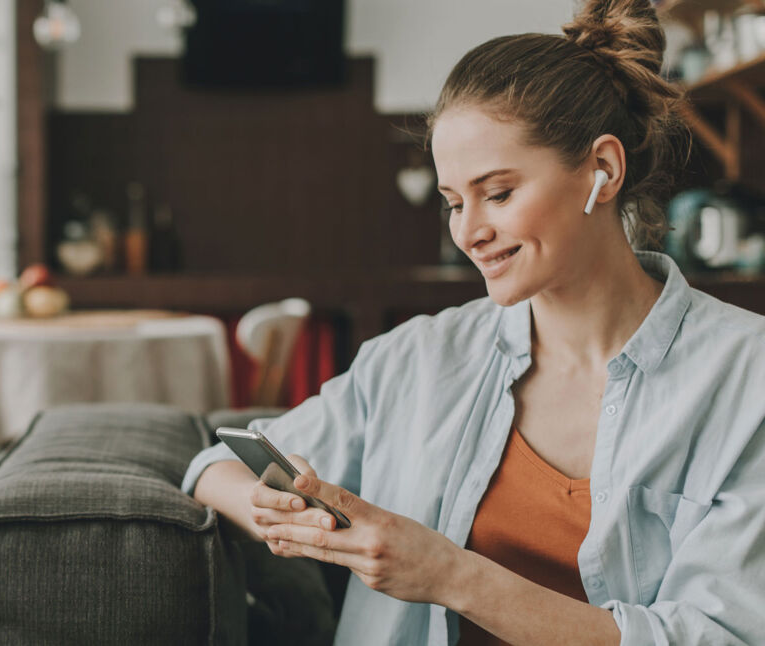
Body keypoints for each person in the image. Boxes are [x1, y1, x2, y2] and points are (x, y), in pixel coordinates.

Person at [182, 0, 765, 644]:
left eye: (499, 193)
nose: (469, 232)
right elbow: (215, 468)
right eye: (455, 202)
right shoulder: (418, 358)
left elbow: (722, 635)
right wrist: (279, 515)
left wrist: (452, 576)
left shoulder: (747, 379)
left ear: (602, 170)